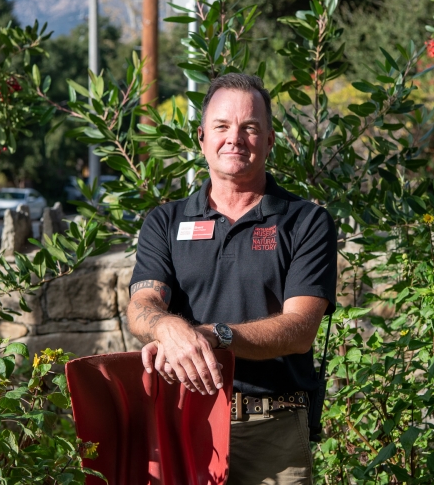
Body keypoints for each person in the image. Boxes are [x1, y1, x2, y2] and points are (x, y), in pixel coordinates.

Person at [126, 73, 337, 485]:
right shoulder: (165, 222)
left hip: (271, 432)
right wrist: (167, 325)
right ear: (202, 137)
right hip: (185, 423)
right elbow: (142, 305)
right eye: (222, 126)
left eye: (250, 127)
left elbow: (300, 330)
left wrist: (212, 335)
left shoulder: (306, 222)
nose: (234, 138)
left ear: (270, 140)